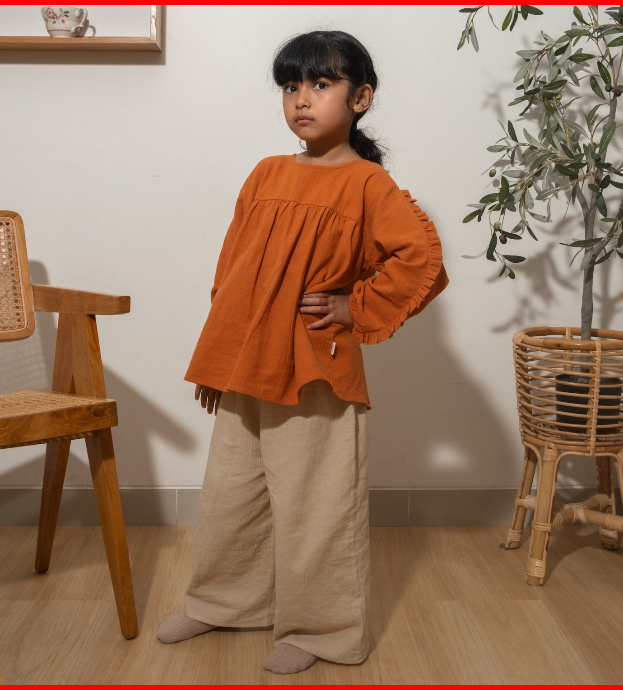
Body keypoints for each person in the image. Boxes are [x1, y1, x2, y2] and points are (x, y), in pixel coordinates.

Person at [157, 29, 448, 674]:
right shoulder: (266, 173)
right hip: (247, 363)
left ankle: (321, 630)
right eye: (291, 86)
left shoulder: (368, 184)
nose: (301, 99)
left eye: (320, 84)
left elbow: (422, 259)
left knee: (317, 506)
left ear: (361, 98)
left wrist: (354, 307)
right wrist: (217, 359)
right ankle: (225, 602)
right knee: (231, 493)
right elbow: (231, 276)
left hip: (317, 368)